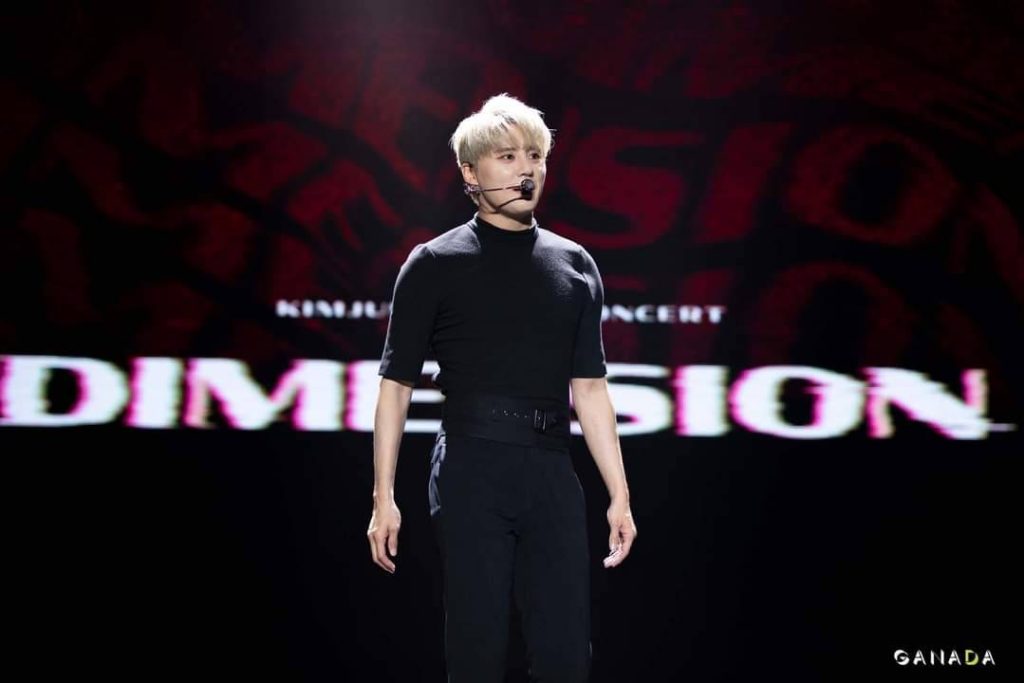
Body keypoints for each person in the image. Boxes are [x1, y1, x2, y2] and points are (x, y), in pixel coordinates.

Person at [367, 93, 636, 682]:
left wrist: (619, 494)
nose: (526, 169)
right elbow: (396, 384)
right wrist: (383, 496)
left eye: (535, 156)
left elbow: (591, 388)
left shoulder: (575, 264)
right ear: (470, 173)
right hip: (472, 465)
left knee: (566, 656)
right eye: (508, 156)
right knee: (478, 650)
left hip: (552, 469)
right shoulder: (434, 263)